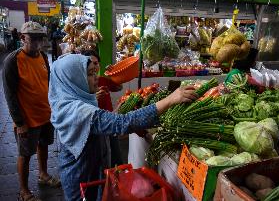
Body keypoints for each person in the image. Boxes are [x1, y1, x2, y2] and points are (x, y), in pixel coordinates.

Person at [48, 54, 198, 200]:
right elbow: (121, 123)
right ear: (73, 79)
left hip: (89, 172)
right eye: (89, 74)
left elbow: (97, 125)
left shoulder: (69, 101)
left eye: (95, 72)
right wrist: (170, 100)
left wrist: (116, 111)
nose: (96, 78)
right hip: (81, 178)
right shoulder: (77, 110)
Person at [2, 21, 60, 201]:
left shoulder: (43, 56)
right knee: (25, 154)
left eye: (40, 39)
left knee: (44, 145)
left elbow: (49, 84)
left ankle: (43, 174)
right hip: (27, 119)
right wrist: (20, 123)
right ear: (22, 38)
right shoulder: (13, 60)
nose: (37, 43)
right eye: (32, 39)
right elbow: (10, 95)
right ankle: (23, 191)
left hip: (46, 113)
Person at [81, 50, 124, 166]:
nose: (94, 67)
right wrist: (93, 98)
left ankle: (117, 175)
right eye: (91, 64)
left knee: (116, 154)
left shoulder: (103, 80)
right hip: (95, 125)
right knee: (100, 158)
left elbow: (119, 87)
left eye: (96, 63)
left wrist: (114, 74)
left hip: (110, 120)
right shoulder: (81, 84)